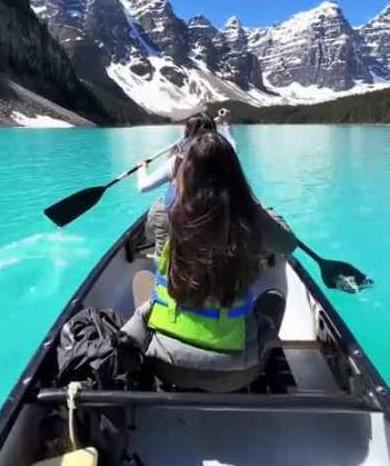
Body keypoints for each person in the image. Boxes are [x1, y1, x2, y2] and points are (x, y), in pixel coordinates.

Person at [124, 132, 297, 392]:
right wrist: (258, 209)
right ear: (235, 176)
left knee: (154, 300)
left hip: (165, 364)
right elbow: (288, 245)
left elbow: (150, 234)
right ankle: (266, 362)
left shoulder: (161, 212)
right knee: (273, 296)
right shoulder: (250, 219)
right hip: (238, 372)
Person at [137, 112, 236, 257]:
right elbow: (232, 143)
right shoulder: (226, 155)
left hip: (177, 218)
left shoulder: (177, 160)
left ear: (187, 133)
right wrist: (227, 125)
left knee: (168, 255)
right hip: (214, 216)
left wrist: (142, 169)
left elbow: (143, 187)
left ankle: (166, 276)